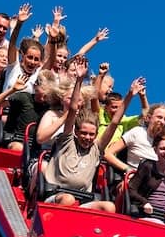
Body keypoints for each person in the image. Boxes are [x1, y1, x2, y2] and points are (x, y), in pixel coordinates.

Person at [36, 56, 130, 212]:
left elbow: (114, 123)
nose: (87, 137)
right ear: (76, 132)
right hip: (57, 195)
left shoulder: (96, 148)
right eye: (84, 133)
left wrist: (130, 96)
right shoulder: (67, 141)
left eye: (91, 134)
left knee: (109, 206)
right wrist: (79, 80)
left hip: (81, 201)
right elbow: (72, 109)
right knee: (68, 199)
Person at [125, 131, 165, 230]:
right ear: (155, 150)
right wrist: (144, 202)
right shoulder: (147, 167)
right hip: (147, 213)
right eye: (162, 149)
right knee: (157, 226)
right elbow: (131, 189)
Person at [0, 69, 54, 151]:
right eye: (42, 93)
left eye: (47, 94)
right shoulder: (23, 97)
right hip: (17, 140)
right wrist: (13, 90)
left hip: (36, 144)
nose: (44, 97)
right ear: (35, 86)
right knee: (19, 148)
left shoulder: (49, 106)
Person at [103, 103, 165, 174]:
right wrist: (127, 169)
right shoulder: (137, 132)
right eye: (159, 117)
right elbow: (107, 154)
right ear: (148, 118)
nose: (162, 121)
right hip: (135, 179)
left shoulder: (164, 141)